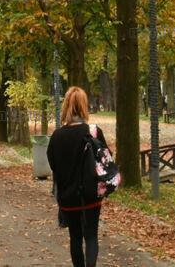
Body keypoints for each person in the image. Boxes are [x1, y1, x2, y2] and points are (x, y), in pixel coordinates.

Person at [47, 86, 109, 267]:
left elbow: (53, 165)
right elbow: (105, 160)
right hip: (91, 193)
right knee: (91, 236)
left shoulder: (57, 136)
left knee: (75, 237)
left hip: (67, 195)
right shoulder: (93, 132)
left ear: (66, 105)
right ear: (84, 106)